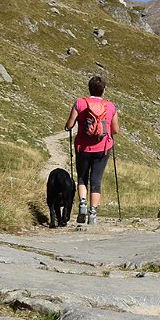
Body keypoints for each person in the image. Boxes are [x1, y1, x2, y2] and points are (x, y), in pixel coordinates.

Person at [65, 74, 118, 228]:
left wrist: (69, 126)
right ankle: (93, 213)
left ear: (89, 88)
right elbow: (115, 130)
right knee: (96, 182)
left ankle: (82, 203)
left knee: (82, 177)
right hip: (103, 148)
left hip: (83, 147)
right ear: (103, 90)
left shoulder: (80, 103)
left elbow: (70, 124)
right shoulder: (110, 106)